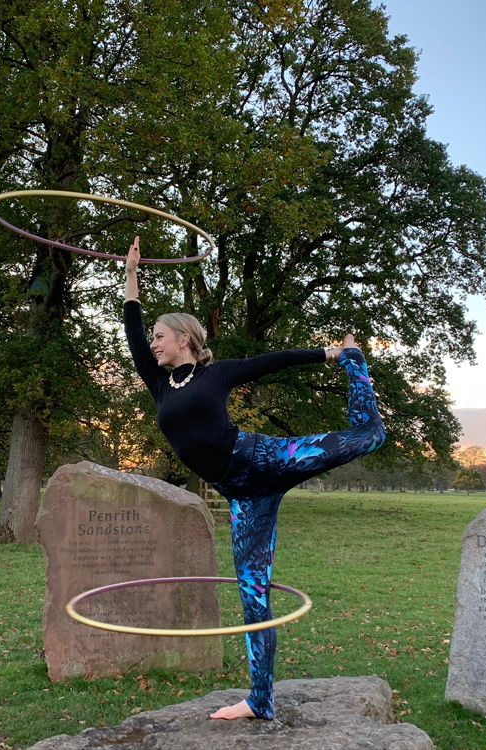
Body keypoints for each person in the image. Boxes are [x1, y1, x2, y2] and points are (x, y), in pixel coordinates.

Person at [123, 236, 386, 720]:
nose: (154, 343)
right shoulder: (158, 382)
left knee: (368, 436)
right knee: (253, 596)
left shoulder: (214, 375)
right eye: (154, 338)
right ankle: (260, 700)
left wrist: (331, 353)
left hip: (264, 459)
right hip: (244, 497)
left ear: (184, 338)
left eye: (163, 335)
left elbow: (274, 360)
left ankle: (357, 366)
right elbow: (132, 330)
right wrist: (132, 273)